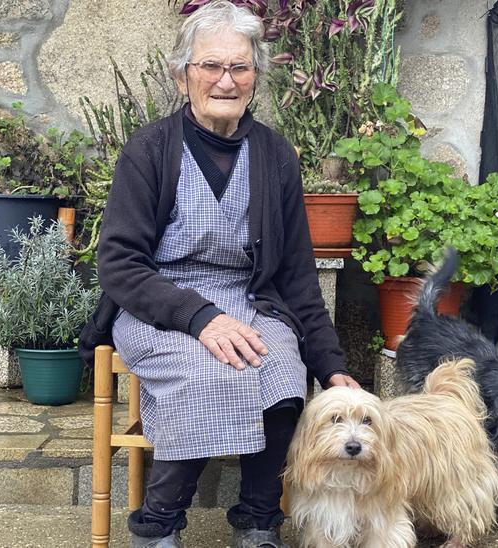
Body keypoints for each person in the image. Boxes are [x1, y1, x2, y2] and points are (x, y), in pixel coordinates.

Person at [81, 2, 359, 546]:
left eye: (240, 67)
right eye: (211, 66)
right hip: (159, 306)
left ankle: (257, 523)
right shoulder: (149, 151)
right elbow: (118, 264)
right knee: (212, 371)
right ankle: (156, 527)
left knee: (281, 372)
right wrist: (201, 318)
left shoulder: (275, 155)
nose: (225, 81)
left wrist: (331, 367)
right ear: (183, 75)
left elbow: (298, 274)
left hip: (251, 302)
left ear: (256, 75)